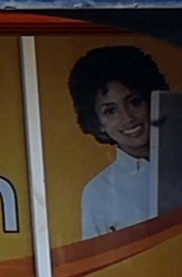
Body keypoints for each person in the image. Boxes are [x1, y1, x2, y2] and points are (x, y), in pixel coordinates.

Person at [69, 42, 168, 238]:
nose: (127, 118)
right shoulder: (98, 192)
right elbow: (100, 264)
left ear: (152, 100)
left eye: (134, 102)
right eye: (110, 111)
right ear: (98, 122)